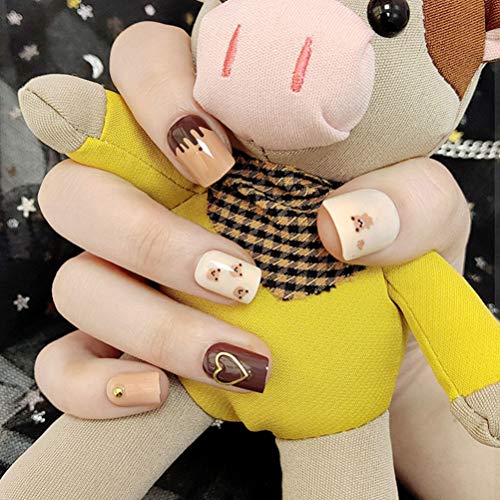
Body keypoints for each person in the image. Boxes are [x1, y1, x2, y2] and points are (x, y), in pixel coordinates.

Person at [9, 20, 499, 500]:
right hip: (179, 365)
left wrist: (430, 388)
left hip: (342, 409)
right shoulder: (209, 165)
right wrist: (96, 122)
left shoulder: (411, 242)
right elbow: (103, 131)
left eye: (386, 14)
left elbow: (453, 317)